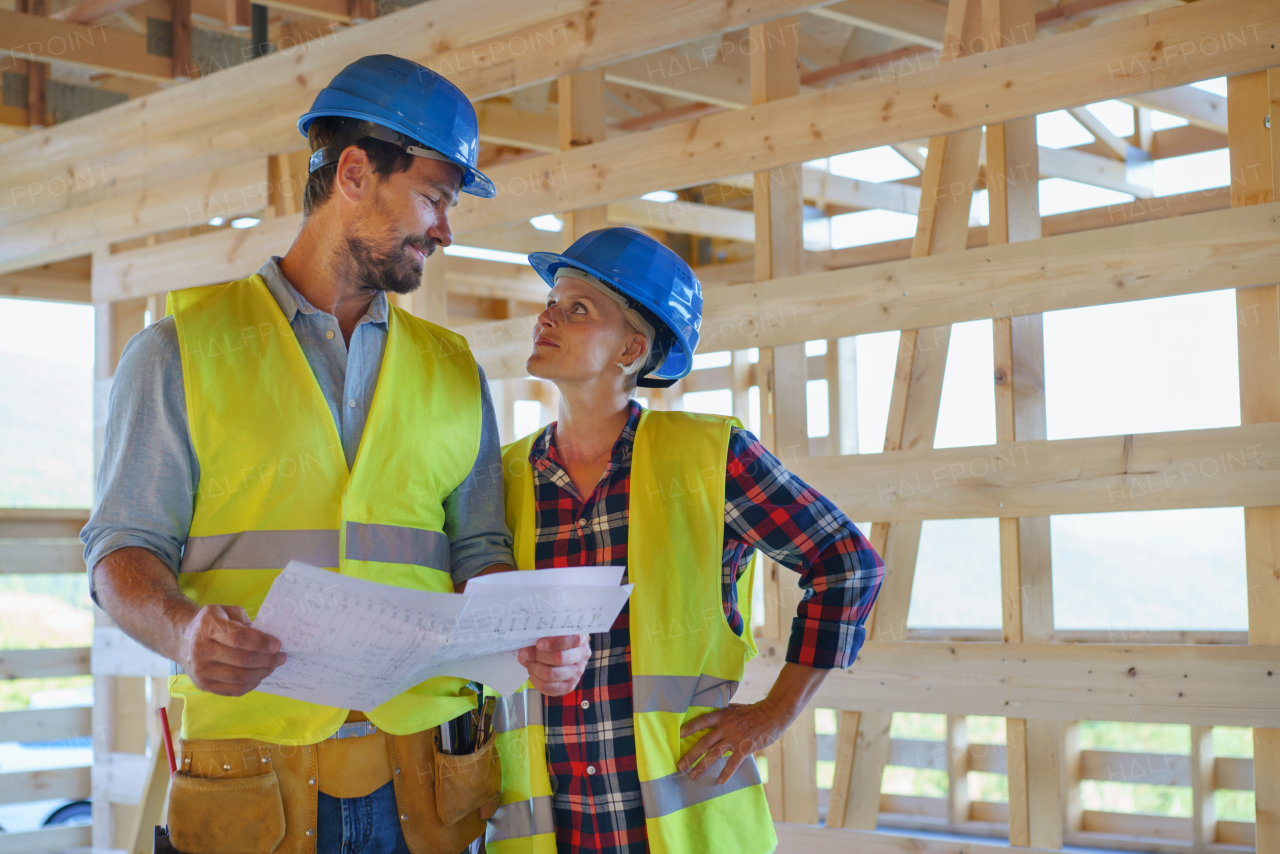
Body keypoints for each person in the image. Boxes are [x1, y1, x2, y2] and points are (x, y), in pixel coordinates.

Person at [82, 55, 590, 854]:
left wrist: (524, 629)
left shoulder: (453, 367)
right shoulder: (178, 353)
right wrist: (184, 633)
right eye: (433, 197)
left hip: (427, 774)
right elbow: (122, 550)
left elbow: (479, 549)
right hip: (252, 776)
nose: (446, 229)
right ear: (354, 172)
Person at [486, 227, 885, 854]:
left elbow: (847, 564)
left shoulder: (709, 457)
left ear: (630, 350)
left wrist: (772, 713)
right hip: (544, 831)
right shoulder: (501, 477)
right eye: (551, 302)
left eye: (577, 308)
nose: (547, 317)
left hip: (683, 827)